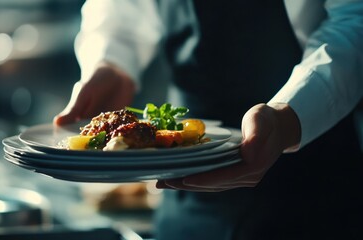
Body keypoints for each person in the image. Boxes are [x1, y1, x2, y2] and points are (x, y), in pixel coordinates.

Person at [54, 0, 363, 239]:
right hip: (182, 194)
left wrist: (287, 117)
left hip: (312, 185)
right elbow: (122, 8)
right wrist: (112, 62)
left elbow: (354, 18)